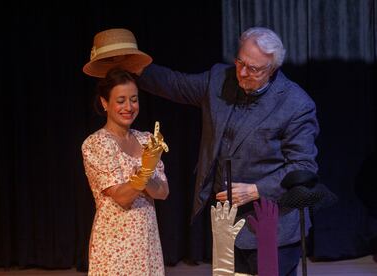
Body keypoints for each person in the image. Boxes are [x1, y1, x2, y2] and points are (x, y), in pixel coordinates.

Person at [137, 27, 319, 276]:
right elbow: (175, 84)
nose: (242, 73)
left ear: (272, 69)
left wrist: (255, 190)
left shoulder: (296, 104)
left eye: (253, 69)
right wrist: (130, 66)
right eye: (240, 62)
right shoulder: (219, 79)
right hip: (228, 221)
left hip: (273, 224)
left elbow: (303, 167)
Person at [81, 68, 169, 275]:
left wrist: (145, 176)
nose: (129, 107)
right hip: (115, 246)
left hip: (146, 242)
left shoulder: (146, 139)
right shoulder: (97, 143)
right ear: (105, 103)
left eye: (134, 99)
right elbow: (122, 197)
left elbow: (163, 192)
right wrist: (146, 171)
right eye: (121, 101)